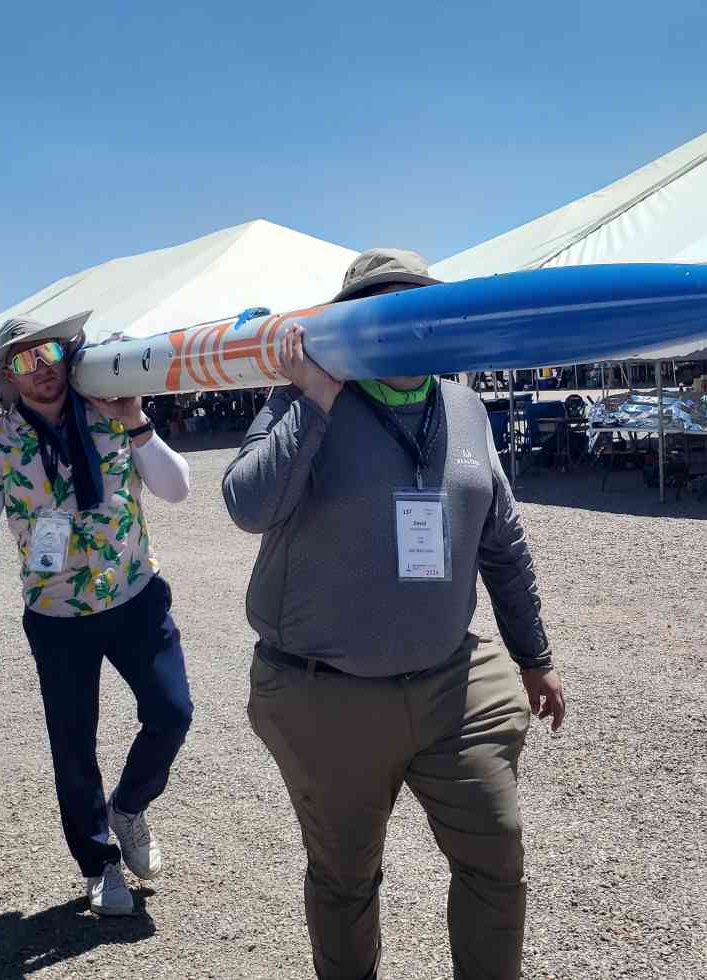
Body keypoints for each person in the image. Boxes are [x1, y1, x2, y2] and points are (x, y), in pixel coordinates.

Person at [223, 248, 568, 980]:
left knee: (496, 858)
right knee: (346, 878)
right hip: (325, 693)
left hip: (454, 683)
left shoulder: (466, 406)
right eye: (386, 308)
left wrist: (534, 658)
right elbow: (248, 506)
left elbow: (501, 541)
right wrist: (314, 398)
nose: (409, 325)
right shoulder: (301, 397)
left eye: (422, 307)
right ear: (353, 321)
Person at [0, 314, 195, 917]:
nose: (42, 372)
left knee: (172, 712)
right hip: (57, 616)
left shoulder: (113, 417)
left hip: (136, 595)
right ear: (7, 377)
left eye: (51, 354)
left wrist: (137, 421)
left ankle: (130, 808)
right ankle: (98, 864)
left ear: (70, 355)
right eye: (24, 363)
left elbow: (177, 489)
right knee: (73, 744)